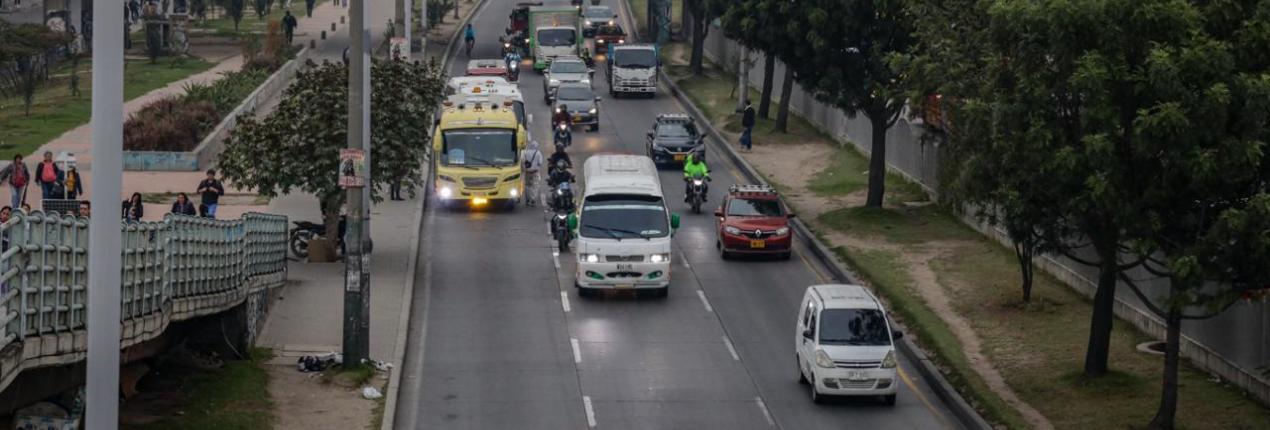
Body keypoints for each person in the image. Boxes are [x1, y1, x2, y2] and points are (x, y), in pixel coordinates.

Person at [519, 140, 544, 207]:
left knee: (527, 185)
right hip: (535, 172)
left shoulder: (526, 152)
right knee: (535, 185)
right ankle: (533, 199)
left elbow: (523, 161)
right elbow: (540, 163)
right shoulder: (538, 153)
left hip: (527, 172)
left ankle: (527, 199)